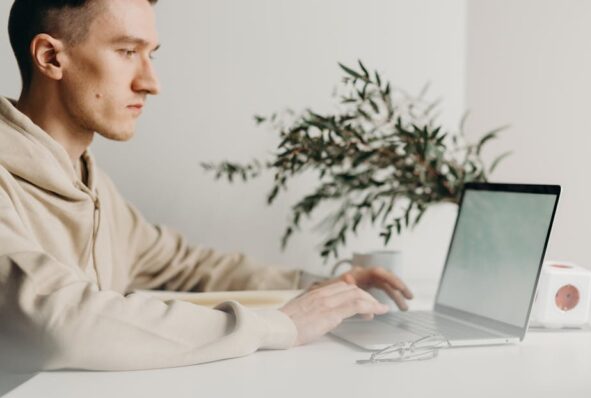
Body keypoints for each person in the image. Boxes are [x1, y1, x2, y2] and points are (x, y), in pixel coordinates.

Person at [0, 0, 413, 371]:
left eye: (151, 55)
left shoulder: (93, 185)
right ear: (51, 57)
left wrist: (317, 286)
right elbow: (65, 323)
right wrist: (278, 326)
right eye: (127, 52)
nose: (151, 82)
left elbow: (187, 265)